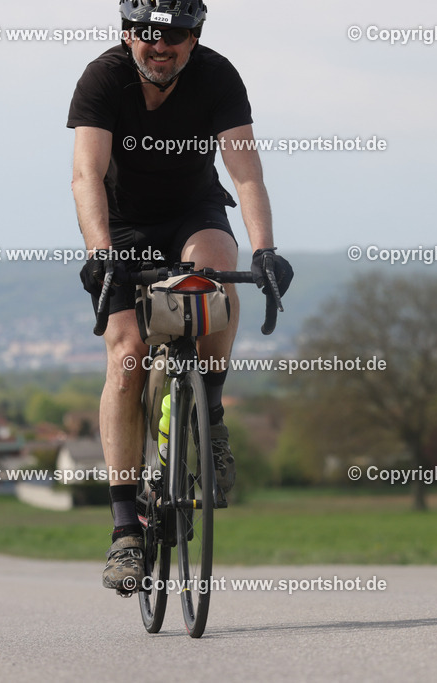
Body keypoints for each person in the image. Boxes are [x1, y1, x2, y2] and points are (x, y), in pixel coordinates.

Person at [67, 0, 294, 592]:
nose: (159, 46)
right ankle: (124, 531)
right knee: (127, 357)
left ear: (194, 39)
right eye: (147, 35)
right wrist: (100, 252)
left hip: (192, 212)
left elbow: (245, 174)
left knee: (218, 273)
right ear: (127, 34)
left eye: (175, 35)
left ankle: (209, 413)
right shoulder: (103, 78)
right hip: (122, 226)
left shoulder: (217, 76)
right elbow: (86, 173)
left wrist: (266, 249)